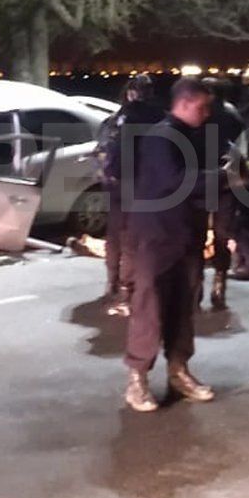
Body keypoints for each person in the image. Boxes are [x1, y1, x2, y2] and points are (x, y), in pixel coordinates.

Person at [122, 77, 215, 412]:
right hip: (154, 237)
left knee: (183, 308)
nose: (207, 114)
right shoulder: (161, 138)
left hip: (185, 237)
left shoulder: (192, 136)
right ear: (185, 103)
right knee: (150, 307)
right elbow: (175, 183)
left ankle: (178, 370)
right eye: (203, 107)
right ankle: (137, 380)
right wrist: (223, 177)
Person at [96, 74, 163, 317]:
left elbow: (108, 149)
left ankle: (117, 283)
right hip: (149, 187)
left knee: (117, 237)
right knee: (139, 239)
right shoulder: (160, 118)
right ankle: (131, 285)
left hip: (122, 185)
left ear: (130, 92)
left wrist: (107, 170)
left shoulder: (119, 119)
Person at [200, 77, 245, 310]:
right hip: (226, 181)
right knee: (221, 236)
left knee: (196, 234)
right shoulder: (231, 113)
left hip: (202, 181)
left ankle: (195, 287)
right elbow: (237, 133)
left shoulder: (201, 113)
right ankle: (219, 285)